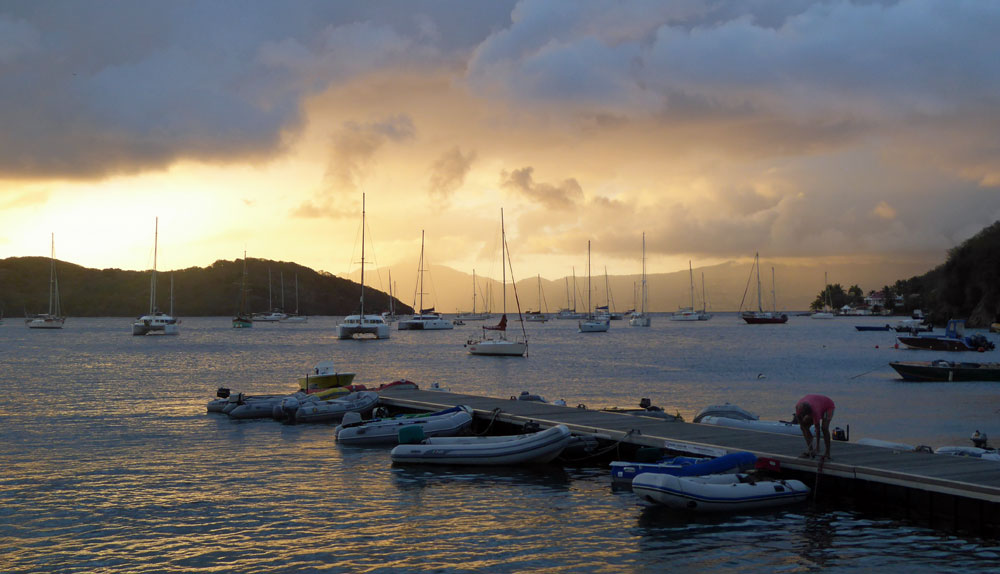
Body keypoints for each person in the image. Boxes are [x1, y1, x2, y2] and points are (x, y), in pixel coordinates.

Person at [796, 394, 836, 460]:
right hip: (816, 404)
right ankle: (810, 450)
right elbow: (802, 425)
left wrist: (817, 447)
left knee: (824, 428)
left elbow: (817, 429)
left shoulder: (815, 411)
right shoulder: (798, 408)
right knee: (803, 427)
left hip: (828, 405)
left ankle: (827, 453)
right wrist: (807, 431)